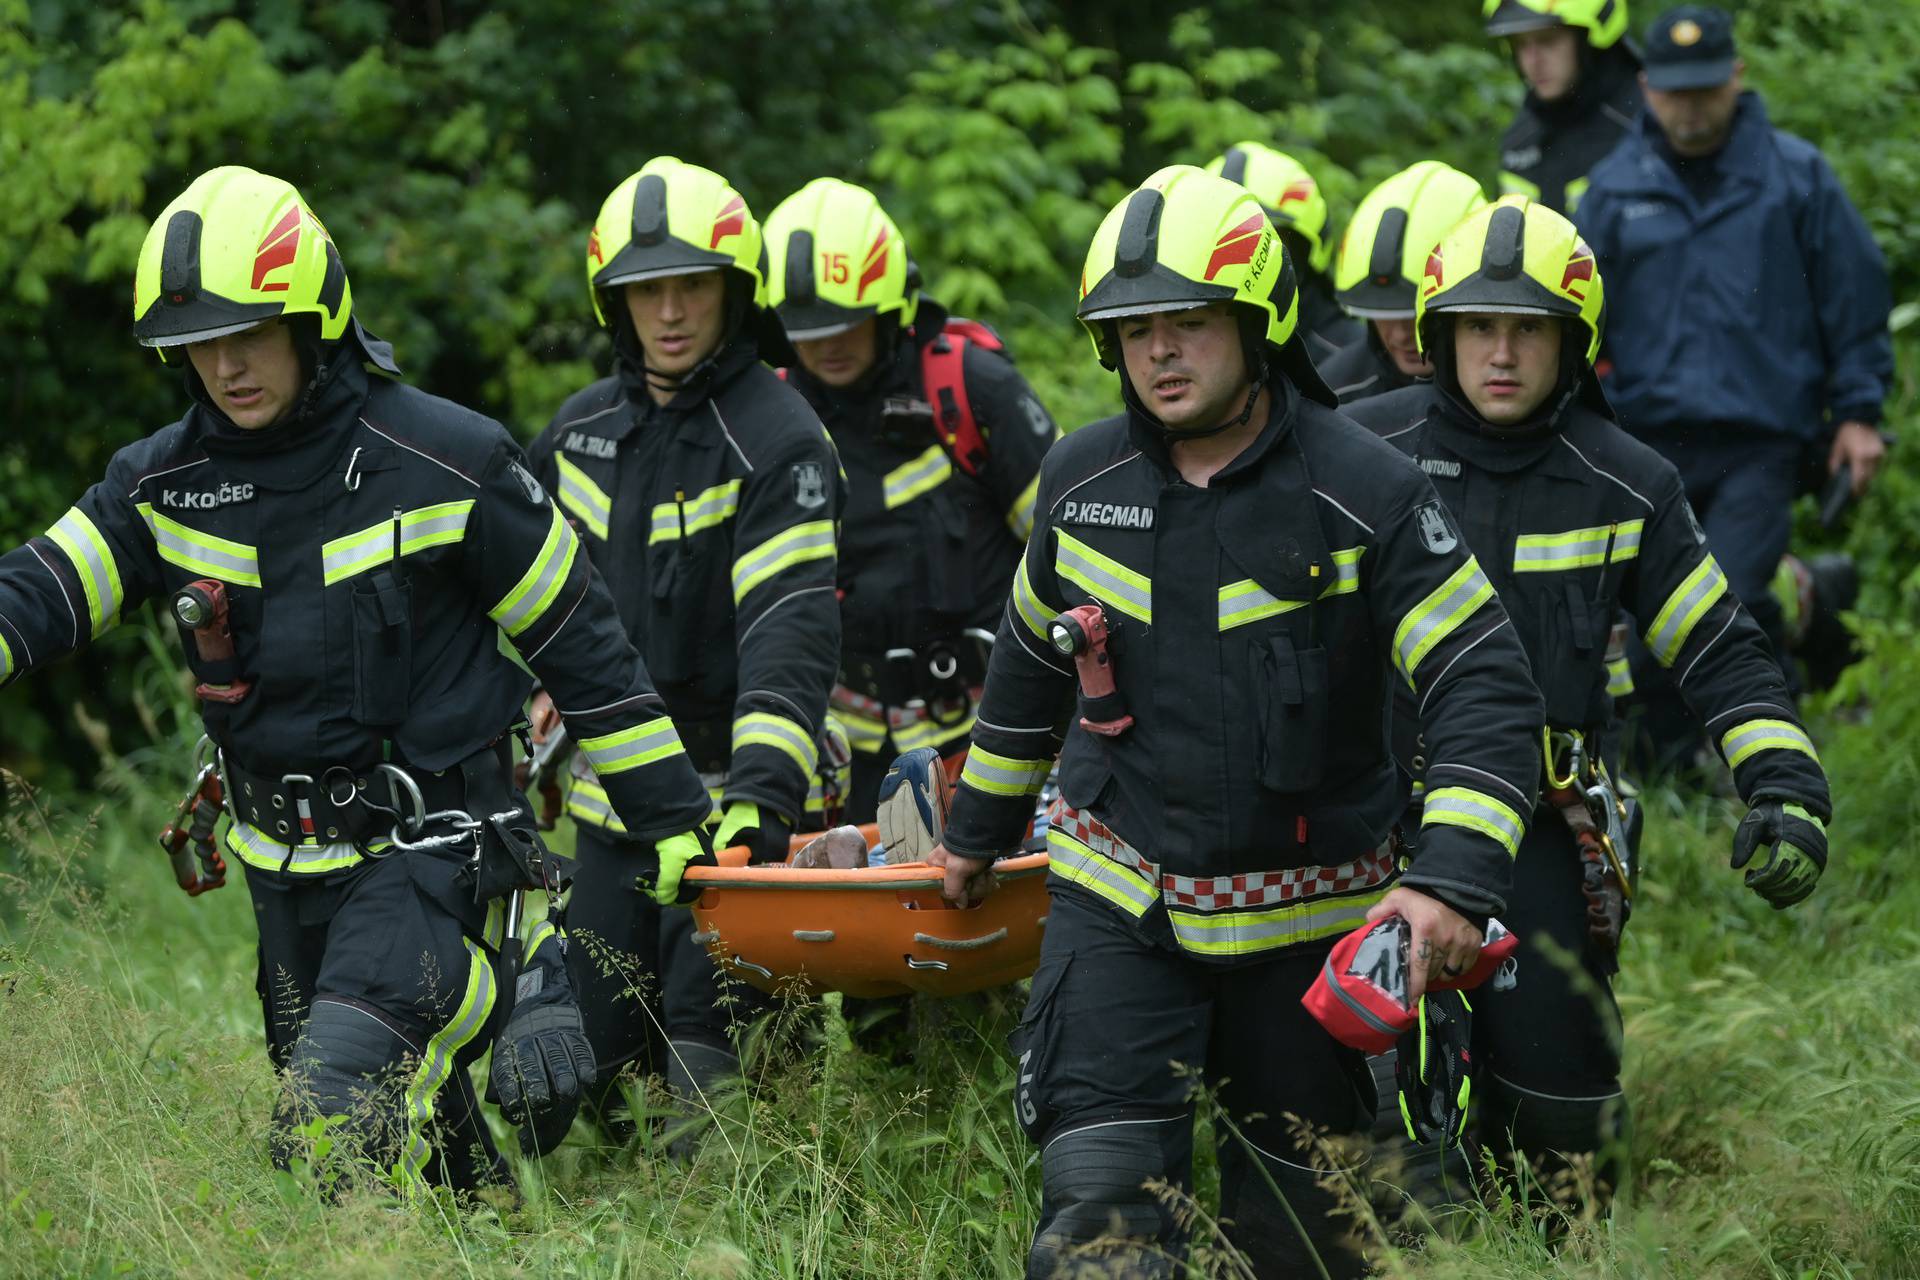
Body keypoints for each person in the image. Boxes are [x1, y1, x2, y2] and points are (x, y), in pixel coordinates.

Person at [0, 166, 716, 1191]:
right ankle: (504, 1073)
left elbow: (583, 643)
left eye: (251, 332)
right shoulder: (160, 483)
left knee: (324, 1131)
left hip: (434, 854)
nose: (227, 364)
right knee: (426, 1180)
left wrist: (672, 817)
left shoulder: (448, 459)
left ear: (316, 318)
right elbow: (41, 586)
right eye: (200, 342)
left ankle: (503, 972)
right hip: (282, 872)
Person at [928, 165, 1544, 1278]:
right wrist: (974, 830)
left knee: (1311, 1248)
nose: (1160, 352)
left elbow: (1482, 680)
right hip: (1123, 907)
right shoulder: (1079, 482)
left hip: (1315, 934)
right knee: (1098, 1227)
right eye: (1134, 329)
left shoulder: (1369, 490)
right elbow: (1028, 665)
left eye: (1190, 323)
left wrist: (1451, 876)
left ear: (1257, 321)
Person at [1345, 195, 1833, 1210]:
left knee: (1562, 1114)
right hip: (1370, 808)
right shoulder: (1359, 449)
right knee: (1370, 1093)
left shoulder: (1629, 482)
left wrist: (1784, 784)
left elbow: (1719, 647)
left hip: (1540, 815)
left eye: (1530, 329)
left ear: (1575, 343)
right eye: (1480, 326)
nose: (1503, 353)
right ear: (1439, 334)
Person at [525, 157, 845, 1142]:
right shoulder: (578, 432)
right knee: (600, 1058)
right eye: (645, 290)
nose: (669, 311)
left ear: (732, 291)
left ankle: (772, 1219)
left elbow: (788, 628)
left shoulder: (779, 435)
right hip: (613, 801)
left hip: (737, 801)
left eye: (691, 286)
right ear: (614, 302)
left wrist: (758, 799)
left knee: (726, 1068)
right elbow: (515, 597)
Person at [1576, 5, 1892, 680]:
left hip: (1761, 440)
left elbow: (1854, 298)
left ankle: (1762, 758)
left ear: (1737, 78)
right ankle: (1671, 769)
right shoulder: (1612, 190)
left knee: (1731, 600)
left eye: (1704, 87)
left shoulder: (1797, 178)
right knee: (1651, 613)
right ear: (1647, 86)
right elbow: (1576, 315)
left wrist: (1859, 415)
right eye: (1674, 89)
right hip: (1646, 442)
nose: (1689, 105)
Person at [761, 177, 1056, 824]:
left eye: (847, 323)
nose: (827, 345)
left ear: (892, 306)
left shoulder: (971, 389)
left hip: (987, 741)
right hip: (840, 763)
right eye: (805, 329)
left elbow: (1071, 556)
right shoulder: (771, 417)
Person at [1319, 161, 1488, 404]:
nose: (1399, 335)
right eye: (1381, 312)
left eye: (1414, 314)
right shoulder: (1333, 393)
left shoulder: (1509, 396)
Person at [1205, 141, 1362, 360]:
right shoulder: (1196, 353)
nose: (1249, 257)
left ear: (1304, 251)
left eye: (1270, 238)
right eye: (1226, 241)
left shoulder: (1353, 362)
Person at [1483, 0, 1643, 215]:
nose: (1533, 60)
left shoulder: (1647, 123)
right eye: (1520, 44)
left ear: (1588, 40)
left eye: (1547, 40)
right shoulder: (1520, 136)